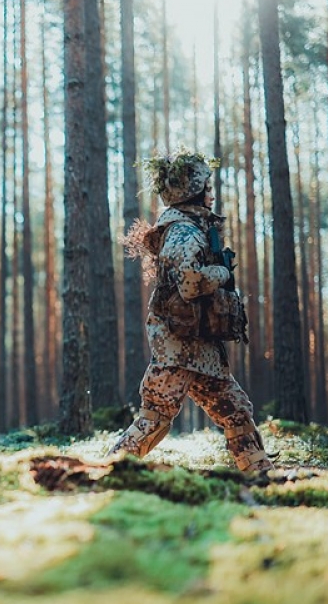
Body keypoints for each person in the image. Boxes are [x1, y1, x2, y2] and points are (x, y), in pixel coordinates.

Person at [108, 148, 273, 473]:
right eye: (206, 188)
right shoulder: (183, 232)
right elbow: (189, 283)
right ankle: (106, 473)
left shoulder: (192, 228)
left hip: (199, 348)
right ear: (193, 192)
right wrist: (223, 274)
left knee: (237, 412)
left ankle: (261, 476)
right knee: (155, 417)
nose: (211, 194)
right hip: (178, 349)